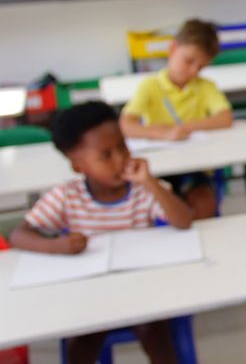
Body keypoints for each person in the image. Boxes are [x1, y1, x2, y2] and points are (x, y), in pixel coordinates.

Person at [10, 102, 194, 364]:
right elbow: (18, 235)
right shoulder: (67, 196)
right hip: (91, 297)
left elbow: (184, 220)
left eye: (123, 147)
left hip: (143, 290)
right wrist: (57, 246)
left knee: (154, 331)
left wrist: (150, 182)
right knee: (84, 339)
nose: (120, 159)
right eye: (106, 155)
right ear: (78, 166)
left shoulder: (143, 190)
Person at [120, 18, 233, 219]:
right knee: (160, 203)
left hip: (195, 166)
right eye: (189, 61)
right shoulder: (150, 86)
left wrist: (187, 128)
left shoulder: (204, 86)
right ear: (172, 49)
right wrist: (160, 133)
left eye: (200, 67)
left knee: (203, 201)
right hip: (159, 168)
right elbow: (126, 124)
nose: (192, 71)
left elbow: (225, 118)